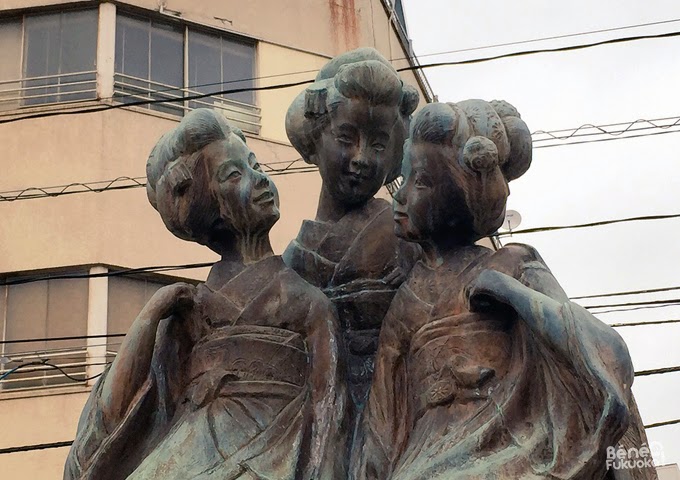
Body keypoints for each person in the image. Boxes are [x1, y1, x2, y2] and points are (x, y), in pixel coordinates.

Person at [352, 100, 652, 479]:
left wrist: (513, 294)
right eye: (405, 180)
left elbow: (606, 350)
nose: (401, 196)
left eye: (422, 181)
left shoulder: (510, 263)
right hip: (423, 459)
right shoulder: (403, 306)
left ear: (462, 196)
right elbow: (383, 425)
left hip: (509, 446)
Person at [64, 109, 346, 480]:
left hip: (271, 454)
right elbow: (122, 410)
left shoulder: (307, 301)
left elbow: (330, 408)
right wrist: (153, 313)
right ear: (204, 206)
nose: (259, 179)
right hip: (189, 449)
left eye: (254, 164)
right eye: (234, 174)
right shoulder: (191, 311)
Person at [283, 48, 421, 432]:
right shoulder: (293, 260)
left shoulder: (408, 237)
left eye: (378, 145)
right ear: (316, 135)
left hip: (397, 417)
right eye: (346, 137)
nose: (362, 158)